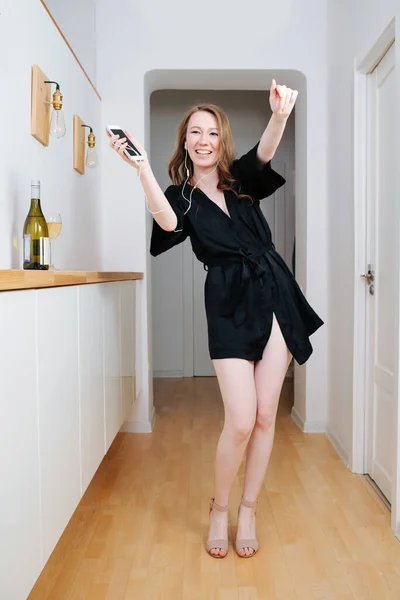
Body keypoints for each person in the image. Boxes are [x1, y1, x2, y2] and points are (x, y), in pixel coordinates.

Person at [107, 79, 324, 559]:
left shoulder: (241, 180)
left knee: (267, 415)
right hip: (227, 299)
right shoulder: (180, 195)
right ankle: (219, 508)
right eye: (194, 133)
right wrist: (141, 169)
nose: (203, 140)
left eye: (211, 132)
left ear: (220, 140)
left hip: (274, 291)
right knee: (241, 419)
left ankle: (247, 509)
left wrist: (280, 115)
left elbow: (264, 152)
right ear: (184, 142)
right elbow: (167, 223)